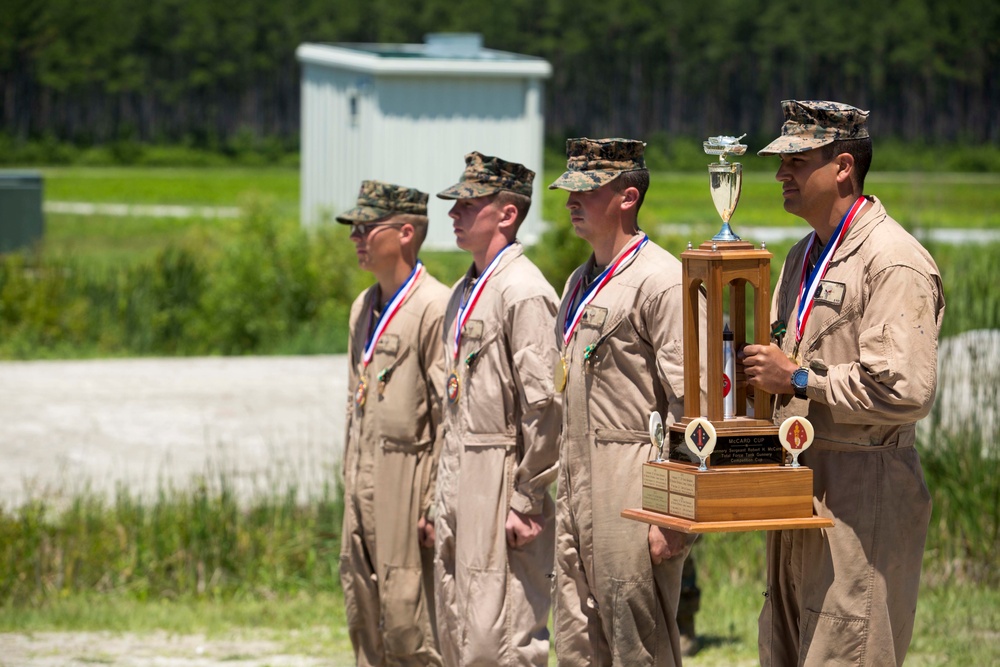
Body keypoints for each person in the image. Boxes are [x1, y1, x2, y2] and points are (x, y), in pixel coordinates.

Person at [741, 100, 945, 666]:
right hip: (801, 478)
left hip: (864, 488)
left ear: (844, 167)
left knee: (847, 647)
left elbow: (905, 389)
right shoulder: (803, 255)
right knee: (787, 645)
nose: (781, 173)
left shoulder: (893, 260)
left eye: (797, 161)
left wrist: (802, 376)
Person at [548, 137, 703, 665]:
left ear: (628, 197)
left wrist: (677, 515)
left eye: (586, 189)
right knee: (576, 644)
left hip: (632, 482)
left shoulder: (661, 281)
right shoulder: (577, 280)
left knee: (639, 647)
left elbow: (694, 408)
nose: (571, 199)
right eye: (569, 188)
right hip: (575, 481)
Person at [431, 152, 561, 666]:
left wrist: (527, 496)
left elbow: (545, 407)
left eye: (468, 203)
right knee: (457, 622)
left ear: (506, 214)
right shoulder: (464, 291)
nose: (454, 213)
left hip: (501, 473)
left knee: (500, 637)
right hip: (459, 470)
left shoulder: (524, 292)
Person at [337, 180, 449, 666]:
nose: (356, 236)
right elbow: (353, 399)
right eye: (354, 227)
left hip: (410, 479)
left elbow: (449, 414)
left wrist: (434, 498)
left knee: (409, 620)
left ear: (406, 233)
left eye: (367, 226)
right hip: (362, 474)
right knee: (361, 604)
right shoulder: (362, 306)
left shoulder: (434, 306)